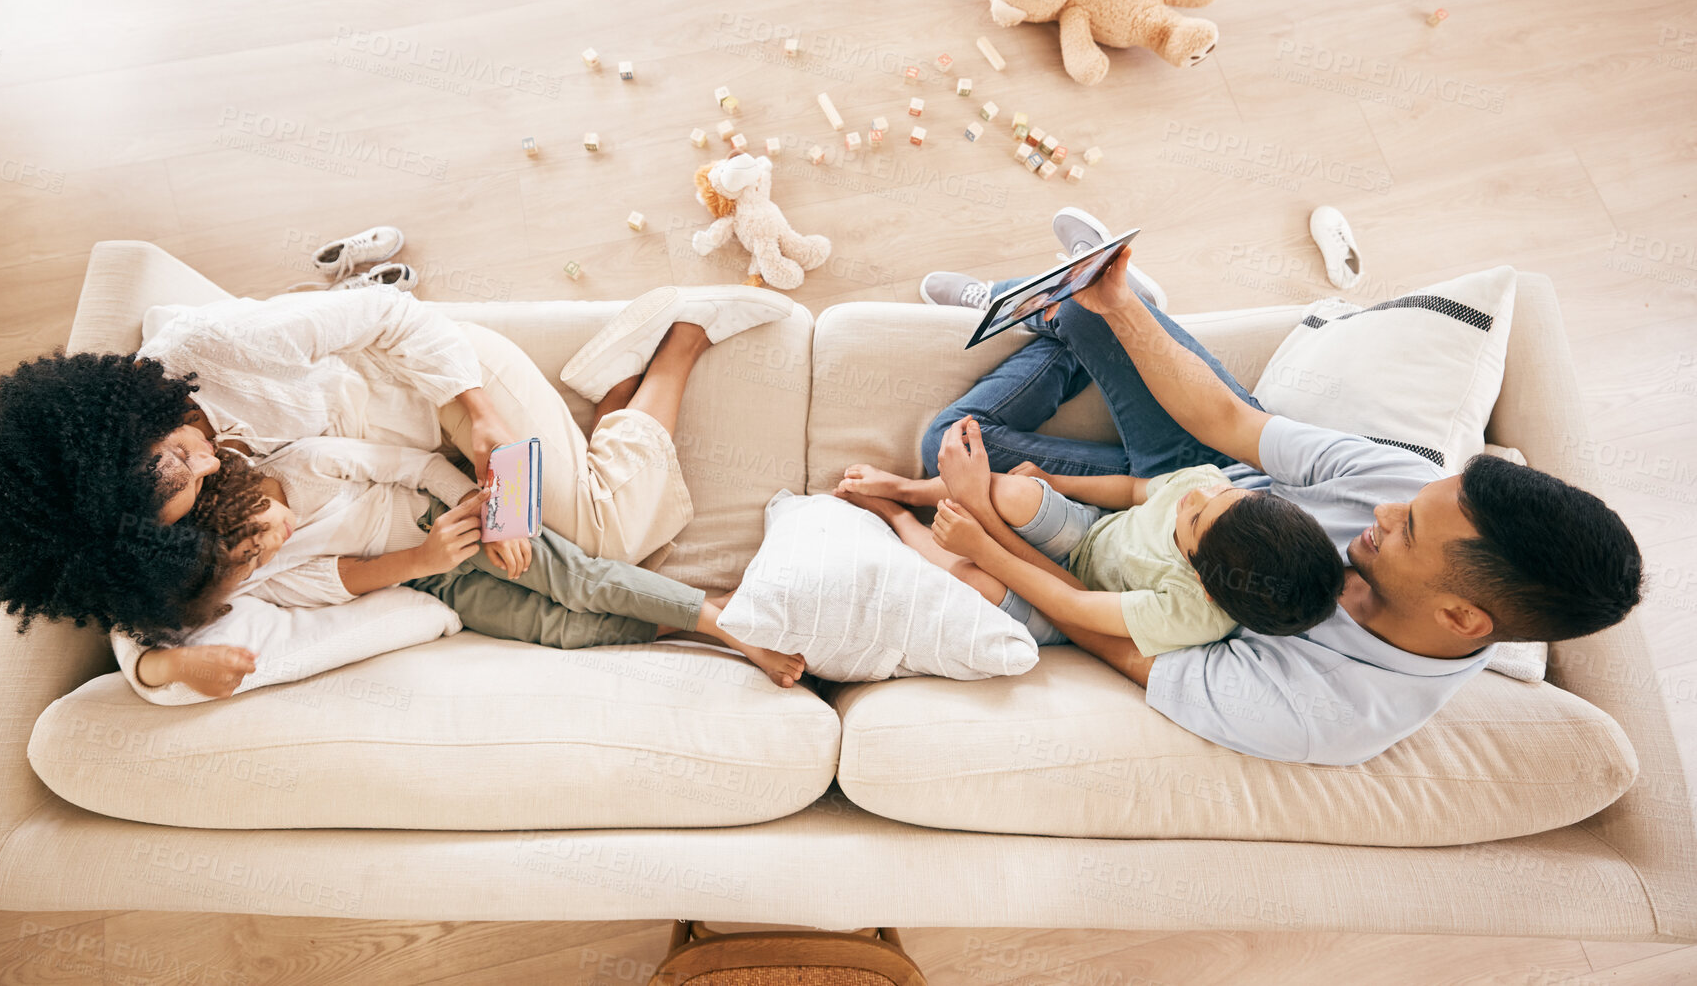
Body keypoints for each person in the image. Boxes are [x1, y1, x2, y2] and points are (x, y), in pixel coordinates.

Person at [913, 206, 1644, 765]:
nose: (1386, 508)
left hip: (1141, 563)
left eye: (1409, 530)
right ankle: (1075, 307)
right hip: (1209, 476)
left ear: (1460, 616)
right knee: (1086, 301)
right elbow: (1231, 420)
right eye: (1413, 504)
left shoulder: (1333, 710)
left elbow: (1118, 642)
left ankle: (1063, 328)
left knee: (940, 448)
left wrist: (984, 523)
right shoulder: (1408, 484)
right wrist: (1123, 309)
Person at [0, 266, 791, 636]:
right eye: (186, 493)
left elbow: (393, 312)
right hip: (419, 467)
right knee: (569, 546)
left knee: (610, 535)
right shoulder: (134, 544)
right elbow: (185, 620)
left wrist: (483, 423)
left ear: (119, 415)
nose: (215, 467)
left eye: (182, 459)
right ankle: (608, 395)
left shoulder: (213, 345)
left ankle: (677, 332)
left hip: (441, 385)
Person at [121, 439, 805, 695]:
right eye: (257, 558)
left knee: (581, 581)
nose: (278, 541)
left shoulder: (302, 466)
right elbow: (341, 582)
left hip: (446, 517)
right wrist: (421, 562)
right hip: (424, 572)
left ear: (241, 498)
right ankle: (685, 625)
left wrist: (479, 509)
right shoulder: (257, 572)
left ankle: (729, 626)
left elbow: (410, 465)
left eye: (263, 534)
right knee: (558, 629)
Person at [837, 415, 1344, 657]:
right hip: (1090, 534)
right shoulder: (1208, 488)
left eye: (1194, 520)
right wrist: (1052, 484)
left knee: (975, 577)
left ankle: (897, 519)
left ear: (1206, 583)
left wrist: (982, 541)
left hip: (1074, 603)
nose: (1197, 497)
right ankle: (909, 490)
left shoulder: (1192, 613)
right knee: (1016, 495)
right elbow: (1129, 489)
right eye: (1225, 495)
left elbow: (1070, 602)